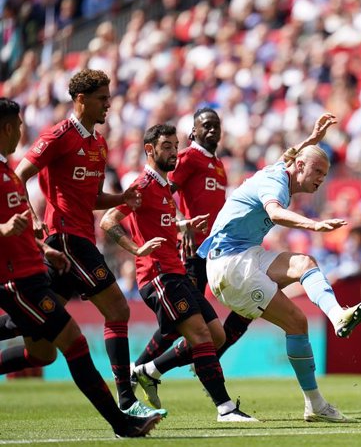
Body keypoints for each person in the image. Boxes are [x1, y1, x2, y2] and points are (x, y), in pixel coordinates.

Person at [136, 113, 361, 422]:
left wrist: (313, 140)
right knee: (294, 323)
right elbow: (274, 211)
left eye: (325, 176)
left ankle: (338, 314)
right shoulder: (275, 182)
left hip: (244, 254)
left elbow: (290, 156)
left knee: (303, 263)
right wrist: (314, 225)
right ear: (300, 168)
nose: (320, 180)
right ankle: (312, 404)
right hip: (229, 264)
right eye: (317, 172)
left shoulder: (279, 169)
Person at [5, 69, 165, 419]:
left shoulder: (98, 143)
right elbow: (19, 176)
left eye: (108, 97)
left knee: (41, 349)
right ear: (81, 100)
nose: (108, 103)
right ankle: (126, 400)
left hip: (80, 236)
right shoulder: (59, 134)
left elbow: (90, 198)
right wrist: (32, 217)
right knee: (118, 310)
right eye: (102, 98)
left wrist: (121, 197)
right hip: (65, 238)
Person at [100, 123, 256, 422]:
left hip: (176, 273)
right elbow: (109, 220)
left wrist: (182, 225)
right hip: (158, 275)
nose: (174, 152)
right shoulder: (143, 184)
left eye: (175, 145)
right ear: (150, 150)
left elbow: (156, 222)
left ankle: (148, 369)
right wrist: (136, 250)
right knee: (199, 334)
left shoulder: (161, 187)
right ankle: (225, 408)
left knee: (217, 334)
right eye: (167, 147)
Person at [132, 107, 253, 373]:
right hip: (190, 251)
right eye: (205, 125)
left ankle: (149, 369)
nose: (211, 130)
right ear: (192, 132)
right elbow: (162, 191)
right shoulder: (188, 158)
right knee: (185, 321)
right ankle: (142, 369)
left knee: (194, 321)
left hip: (212, 251)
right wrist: (180, 224)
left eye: (215, 125)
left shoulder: (218, 164)